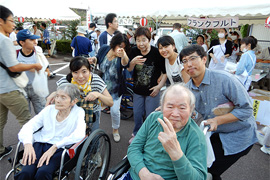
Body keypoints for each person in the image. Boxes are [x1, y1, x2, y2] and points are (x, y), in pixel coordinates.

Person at [180, 44, 257, 180]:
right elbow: (195, 114)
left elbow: (247, 110)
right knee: (200, 165)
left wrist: (217, 120)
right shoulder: (188, 89)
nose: (189, 64)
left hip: (239, 135)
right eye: (185, 61)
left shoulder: (224, 79)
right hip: (215, 133)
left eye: (193, 58)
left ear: (204, 59)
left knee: (207, 169)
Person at [126, 83, 207, 180]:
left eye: (182, 108)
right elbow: (134, 147)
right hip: (137, 175)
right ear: (162, 106)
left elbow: (198, 178)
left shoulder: (196, 136)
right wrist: (144, 173)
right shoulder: (153, 118)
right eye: (170, 107)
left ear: (191, 109)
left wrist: (176, 153)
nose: (175, 114)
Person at [14, 84, 86, 180]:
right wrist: (27, 143)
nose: (58, 100)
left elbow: (79, 134)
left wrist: (55, 146)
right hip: (40, 143)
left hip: (60, 148)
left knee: (43, 172)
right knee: (26, 172)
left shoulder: (78, 112)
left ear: (73, 101)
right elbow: (28, 126)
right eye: (57, 96)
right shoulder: (48, 110)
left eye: (63, 97)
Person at [0, 5, 42, 161]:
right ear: (1, 21)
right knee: (27, 121)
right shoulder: (4, 40)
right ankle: (32, 154)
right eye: (11, 20)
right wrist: (34, 65)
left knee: (0, 121)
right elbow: (14, 66)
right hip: (10, 89)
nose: (13, 24)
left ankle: (0, 149)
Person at [46, 56, 113, 132]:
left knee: (93, 137)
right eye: (76, 72)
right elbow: (58, 96)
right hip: (71, 112)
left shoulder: (96, 80)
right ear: (71, 72)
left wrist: (98, 94)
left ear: (90, 70)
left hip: (91, 113)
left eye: (84, 71)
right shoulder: (66, 82)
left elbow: (110, 102)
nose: (80, 76)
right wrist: (55, 94)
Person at [127, 27, 167, 144]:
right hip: (137, 90)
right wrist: (133, 62)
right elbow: (129, 69)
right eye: (138, 40)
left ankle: (150, 136)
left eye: (144, 40)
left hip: (153, 91)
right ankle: (137, 134)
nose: (141, 43)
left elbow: (165, 73)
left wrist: (159, 87)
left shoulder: (156, 53)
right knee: (137, 114)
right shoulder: (133, 51)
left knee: (151, 116)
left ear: (149, 40)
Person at [89, 33, 130, 142]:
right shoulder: (104, 49)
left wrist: (124, 55)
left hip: (115, 90)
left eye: (124, 47)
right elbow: (97, 58)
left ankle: (115, 130)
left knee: (115, 111)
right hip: (100, 88)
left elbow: (126, 63)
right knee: (94, 110)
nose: (121, 49)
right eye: (120, 46)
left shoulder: (121, 57)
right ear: (114, 44)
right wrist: (93, 59)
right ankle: (92, 131)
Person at [16, 29, 49, 114]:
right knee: (25, 117)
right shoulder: (15, 54)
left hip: (37, 88)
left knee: (42, 114)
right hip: (21, 89)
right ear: (22, 43)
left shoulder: (38, 53)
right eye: (31, 40)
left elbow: (47, 71)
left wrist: (22, 67)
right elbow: (13, 70)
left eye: (35, 39)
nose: (35, 42)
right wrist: (34, 67)